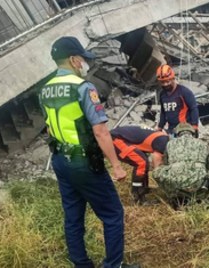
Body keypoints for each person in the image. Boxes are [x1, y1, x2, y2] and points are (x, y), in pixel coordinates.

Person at [39, 37, 138, 268]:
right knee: (112, 214)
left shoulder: (45, 90)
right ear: (74, 60)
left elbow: (49, 126)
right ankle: (114, 265)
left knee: (73, 217)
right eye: (82, 59)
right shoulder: (82, 87)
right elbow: (101, 130)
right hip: (83, 162)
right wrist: (116, 165)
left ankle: (81, 264)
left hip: (60, 160)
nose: (83, 64)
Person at [152, 123, 209, 205]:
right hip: (199, 184)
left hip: (176, 183)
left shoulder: (170, 144)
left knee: (157, 172)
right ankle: (208, 201)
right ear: (193, 133)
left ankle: (172, 195)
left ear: (177, 133)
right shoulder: (203, 143)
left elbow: (166, 163)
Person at [110, 125, 169, 204]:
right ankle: (138, 197)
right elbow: (156, 159)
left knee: (144, 161)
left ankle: (143, 188)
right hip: (116, 139)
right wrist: (159, 179)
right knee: (141, 163)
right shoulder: (164, 141)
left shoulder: (162, 137)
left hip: (122, 137)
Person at [156, 64, 200, 137]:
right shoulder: (162, 94)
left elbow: (193, 108)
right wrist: (160, 127)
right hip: (171, 129)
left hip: (185, 128)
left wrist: (195, 126)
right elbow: (163, 112)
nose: (165, 84)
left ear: (173, 78)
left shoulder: (184, 92)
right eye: (162, 82)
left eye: (167, 81)